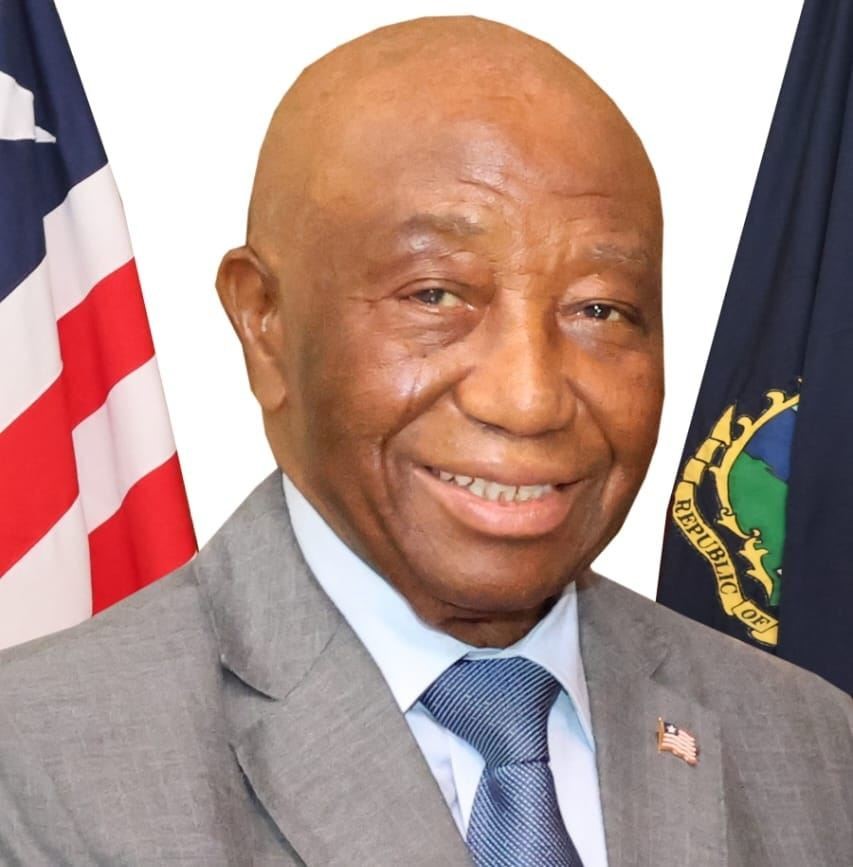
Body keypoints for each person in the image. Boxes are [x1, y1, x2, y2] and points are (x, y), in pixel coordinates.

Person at [0, 15, 850, 867]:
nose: (528, 398)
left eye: (599, 309)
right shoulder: (33, 765)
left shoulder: (814, 744)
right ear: (265, 324)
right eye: (435, 294)